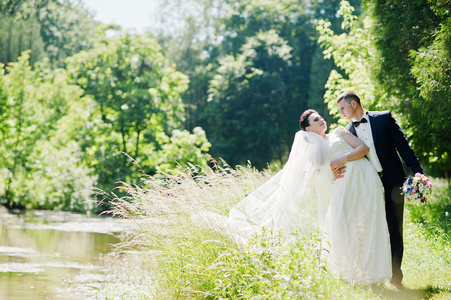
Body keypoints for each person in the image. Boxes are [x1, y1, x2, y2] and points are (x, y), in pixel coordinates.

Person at [196, 109, 392, 285]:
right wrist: (331, 174)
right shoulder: (314, 151)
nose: (322, 120)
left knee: (368, 225)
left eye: (321, 117)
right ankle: (355, 274)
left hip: (364, 185)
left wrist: (343, 159)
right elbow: (316, 176)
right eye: (316, 119)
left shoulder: (339, 132)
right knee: (347, 228)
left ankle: (373, 272)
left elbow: (363, 148)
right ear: (308, 128)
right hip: (343, 190)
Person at [335, 91, 425, 289]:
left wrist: (419, 173)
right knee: (372, 230)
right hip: (369, 186)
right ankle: (374, 274)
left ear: (354, 104)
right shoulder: (349, 131)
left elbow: (404, 148)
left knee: (395, 229)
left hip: (393, 183)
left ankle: (396, 277)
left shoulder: (384, 118)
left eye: (343, 107)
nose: (341, 111)